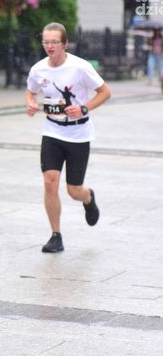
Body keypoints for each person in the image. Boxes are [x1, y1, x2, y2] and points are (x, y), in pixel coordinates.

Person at [26, 22, 111, 253]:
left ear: (65, 43)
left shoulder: (80, 67)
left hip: (78, 134)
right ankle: (56, 235)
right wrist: (31, 104)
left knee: (74, 190)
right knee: (49, 182)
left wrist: (83, 108)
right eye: (46, 42)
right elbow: (31, 91)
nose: (50, 46)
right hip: (52, 131)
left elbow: (105, 92)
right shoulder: (38, 69)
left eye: (54, 42)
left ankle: (88, 198)